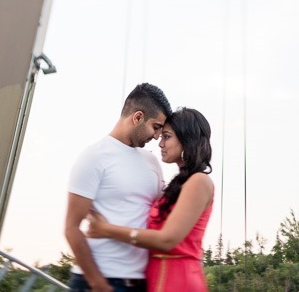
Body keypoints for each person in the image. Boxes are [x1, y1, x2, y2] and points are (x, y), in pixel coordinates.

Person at [87, 107, 214, 292]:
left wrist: (106, 230)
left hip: (179, 282)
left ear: (187, 140)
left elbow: (167, 240)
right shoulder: (178, 185)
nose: (160, 143)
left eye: (167, 137)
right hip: (153, 279)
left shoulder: (199, 182)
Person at [64, 83, 172, 292]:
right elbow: (71, 228)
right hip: (98, 282)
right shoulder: (93, 157)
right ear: (138, 117)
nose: (158, 136)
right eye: (156, 127)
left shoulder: (152, 162)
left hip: (140, 282)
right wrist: (98, 284)